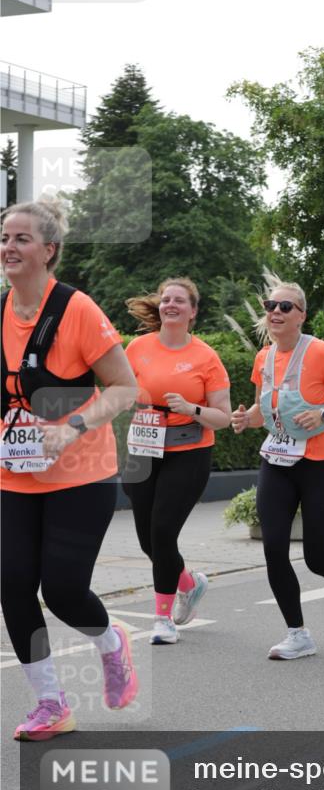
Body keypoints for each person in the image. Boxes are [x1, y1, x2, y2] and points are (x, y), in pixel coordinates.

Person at [0, 200, 139, 741]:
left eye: (21, 239)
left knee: (61, 590)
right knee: (12, 583)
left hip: (82, 475)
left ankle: (111, 644)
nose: (9, 248)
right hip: (14, 475)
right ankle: (52, 704)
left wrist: (69, 428)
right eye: (5, 238)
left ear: (49, 251)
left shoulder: (77, 310)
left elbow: (125, 388)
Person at [231, 281, 324, 659]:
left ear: (301, 316)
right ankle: (297, 634)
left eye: (286, 307)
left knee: (316, 557)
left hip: (321, 464)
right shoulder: (263, 357)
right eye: (270, 305)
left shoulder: (321, 353)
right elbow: (267, 407)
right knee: (274, 548)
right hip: (277, 461)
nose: (276, 312)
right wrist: (247, 418)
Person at [123, 278, 231, 644]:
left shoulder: (205, 357)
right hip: (142, 448)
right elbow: (118, 391)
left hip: (188, 452)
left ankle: (163, 619)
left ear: (192, 311)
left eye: (179, 300)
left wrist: (193, 408)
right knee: (147, 541)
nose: (170, 304)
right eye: (166, 299)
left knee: (163, 532)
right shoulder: (137, 348)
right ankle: (189, 582)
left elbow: (224, 417)